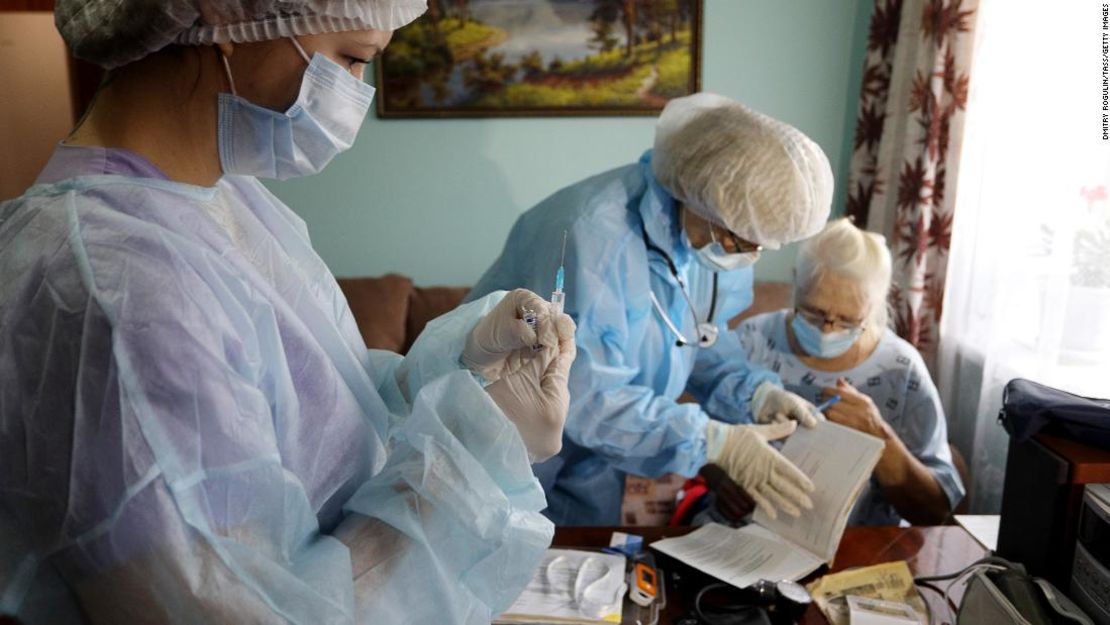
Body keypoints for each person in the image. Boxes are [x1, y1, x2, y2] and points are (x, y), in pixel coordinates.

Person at [0, 2, 576, 623]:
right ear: (226, 24)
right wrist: (473, 457)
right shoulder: (124, 286)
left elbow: (327, 414)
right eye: (353, 58)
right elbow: (246, 608)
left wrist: (461, 367)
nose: (357, 94)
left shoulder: (223, 201)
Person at [467, 93, 835, 526]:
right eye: (741, 237)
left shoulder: (702, 245)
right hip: (506, 432)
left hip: (598, 451)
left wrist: (755, 393)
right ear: (701, 197)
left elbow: (699, 337)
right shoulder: (593, 236)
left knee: (587, 575)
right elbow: (582, 390)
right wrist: (712, 441)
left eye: (763, 243)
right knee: (497, 563)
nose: (749, 253)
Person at [736, 218, 965, 525]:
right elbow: (704, 436)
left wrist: (879, 436)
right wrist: (721, 477)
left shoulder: (900, 371)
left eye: (847, 320)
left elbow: (935, 509)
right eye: (814, 312)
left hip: (858, 548)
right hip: (747, 536)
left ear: (873, 309)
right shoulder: (754, 340)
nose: (827, 330)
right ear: (796, 285)